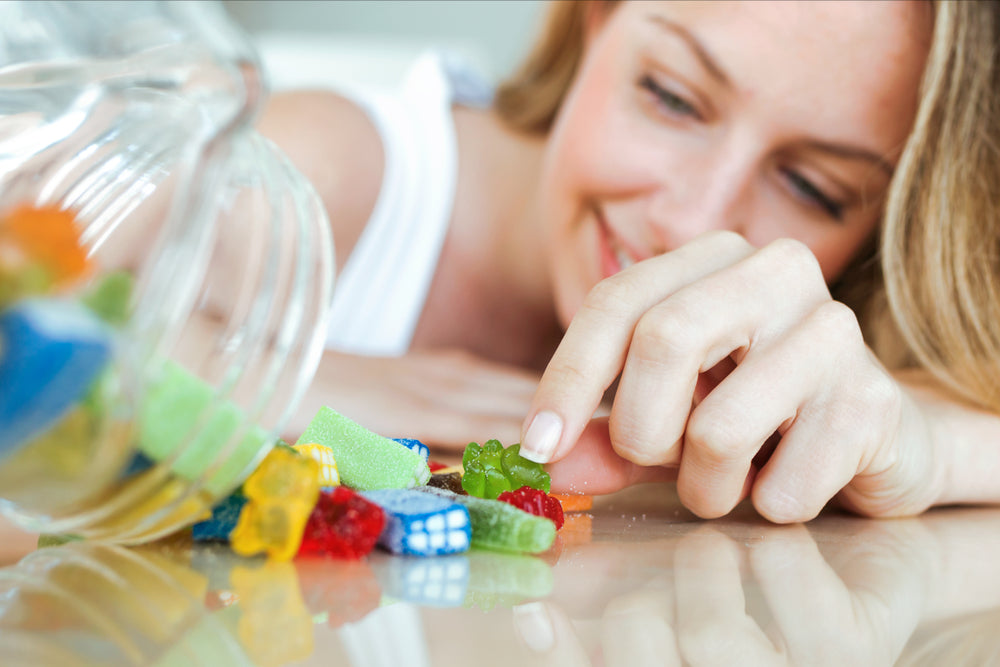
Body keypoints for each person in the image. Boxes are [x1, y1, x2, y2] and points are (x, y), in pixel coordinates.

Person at [259, 0, 1000, 523]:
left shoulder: (842, 328)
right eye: (672, 98)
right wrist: (268, 381)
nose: (693, 220)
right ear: (594, 17)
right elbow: (134, 330)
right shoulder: (319, 174)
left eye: (813, 186)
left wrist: (934, 446)